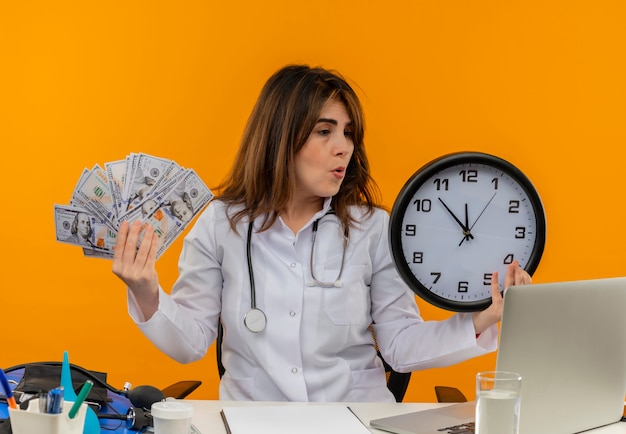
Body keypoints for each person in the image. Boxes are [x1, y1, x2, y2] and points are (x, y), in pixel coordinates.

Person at [112, 64, 531, 402]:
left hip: (354, 421)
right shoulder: (222, 223)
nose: (343, 147)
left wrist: (483, 318)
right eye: (324, 130)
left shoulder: (372, 228)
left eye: (348, 133)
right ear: (280, 137)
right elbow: (190, 344)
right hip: (255, 423)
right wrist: (147, 291)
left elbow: (400, 344)